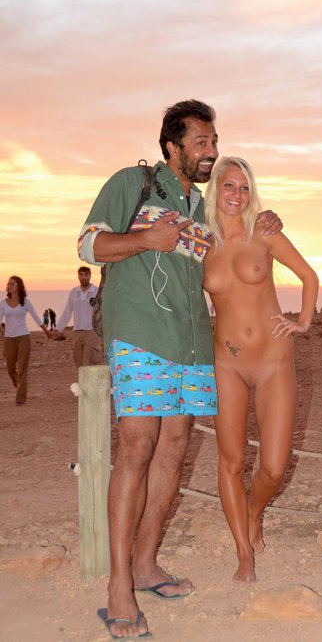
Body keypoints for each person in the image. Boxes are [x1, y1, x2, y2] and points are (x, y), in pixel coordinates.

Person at [78, 100, 282, 640]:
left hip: (192, 343)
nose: (211, 151)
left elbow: (242, 233)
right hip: (140, 332)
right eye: (201, 142)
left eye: (214, 142)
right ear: (173, 146)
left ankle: (146, 565)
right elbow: (89, 243)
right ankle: (119, 585)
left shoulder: (206, 207)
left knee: (173, 451)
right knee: (138, 447)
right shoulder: (133, 183)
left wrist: (268, 220)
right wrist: (146, 238)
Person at [203, 156, 319, 583]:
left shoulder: (265, 232)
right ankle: (243, 552)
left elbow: (309, 276)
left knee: (273, 467)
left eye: (245, 187)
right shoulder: (199, 243)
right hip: (226, 363)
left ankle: (254, 511)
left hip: (274, 361)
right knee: (231, 461)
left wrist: (302, 322)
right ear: (215, 189)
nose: (237, 195)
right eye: (229, 185)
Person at [0, 276, 50, 405]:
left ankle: (20, 398)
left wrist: (46, 332)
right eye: (9, 284)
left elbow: (36, 317)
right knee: (10, 369)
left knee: (23, 368)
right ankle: (21, 388)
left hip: (23, 337)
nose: (9, 286)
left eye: (12, 284)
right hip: (9, 338)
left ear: (19, 286)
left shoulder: (25, 302)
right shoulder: (3, 303)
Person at [51, 267, 102, 369]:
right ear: (78, 276)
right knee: (79, 363)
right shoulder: (74, 292)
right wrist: (58, 328)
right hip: (77, 332)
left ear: (90, 276)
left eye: (86, 275)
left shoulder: (96, 291)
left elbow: (102, 311)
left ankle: (90, 380)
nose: (83, 277)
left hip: (92, 331)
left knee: (90, 363)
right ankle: (82, 380)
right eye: (81, 275)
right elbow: (68, 310)